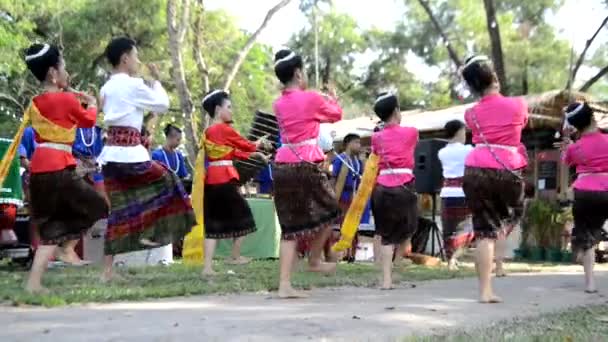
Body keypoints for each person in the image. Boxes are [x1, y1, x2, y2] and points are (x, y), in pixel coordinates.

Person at [9, 43, 108, 293]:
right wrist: (92, 102)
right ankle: (67, 248)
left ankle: (34, 283)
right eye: (64, 68)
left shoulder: (34, 103)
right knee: (99, 206)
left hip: (39, 172)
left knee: (51, 229)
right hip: (59, 169)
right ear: (53, 73)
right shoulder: (65, 99)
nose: (67, 73)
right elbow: (89, 120)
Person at [98, 37, 195, 282]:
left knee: (117, 212)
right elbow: (162, 104)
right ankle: (149, 230)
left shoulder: (106, 88)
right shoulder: (133, 85)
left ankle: (107, 273)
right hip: (131, 155)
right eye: (136, 56)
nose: (138, 61)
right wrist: (157, 83)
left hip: (110, 157)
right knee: (169, 181)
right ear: (125, 58)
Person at [272, 49, 343, 298]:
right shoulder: (310, 98)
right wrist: (331, 97)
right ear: (299, 72)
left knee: (289, 227)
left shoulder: (278, 103)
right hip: (306, 165)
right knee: (332, 210)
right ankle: (314, 259)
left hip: (282, 164)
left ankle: (284, 285)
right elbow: (336, 115)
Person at [460, 55, 528, 303]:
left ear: (472, 87)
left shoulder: (471, 113)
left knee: (484, 231)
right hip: (506, 169)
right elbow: (521, 125)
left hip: (476, 169)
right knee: (512, 213)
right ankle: (499, 252)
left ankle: (485, 291)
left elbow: (477, 130)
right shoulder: (519, 104)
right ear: (496, 78)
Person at [199, 89, 269, 275]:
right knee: (245, 216)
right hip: (224, 179)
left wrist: (254, 153)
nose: (231, 111)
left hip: (212, 180)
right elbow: (243, 144)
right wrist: (258, 144)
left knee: (212, 224)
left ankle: (207, 267)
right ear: (217, 109)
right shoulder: (223, 129)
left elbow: (230, 152)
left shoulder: (209, 131)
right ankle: (235, 256)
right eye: (228, 107)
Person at [370, 92, 418, 289]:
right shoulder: (411, 132)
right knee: (409, 228)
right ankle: (397, 267)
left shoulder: (376, 138)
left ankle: (386, 280)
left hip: (381, 187)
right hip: (404, 185)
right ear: (397, 110)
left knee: (385, 234)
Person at [561, 102, 608, 294]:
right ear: (593, 118)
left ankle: (590, 283)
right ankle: (590, 243)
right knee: (596, 229)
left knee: (585, 234)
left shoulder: (575, 147)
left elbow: (566, 161)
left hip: (583, 191)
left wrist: (569, 146)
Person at [437, 120, 474, 271]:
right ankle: (454, 258)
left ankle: (450, 258)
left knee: (448, 229)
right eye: (464, 132)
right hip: (463, 193)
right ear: (459, 132)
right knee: (468, 228)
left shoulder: (442, 152)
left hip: (446, 194)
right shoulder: (468, 150)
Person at [331, 133, 364, 262]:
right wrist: (333, 197)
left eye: (359, 143)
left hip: (353, 197)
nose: (359, 146)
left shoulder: (357, 162)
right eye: (356, 142)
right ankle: (336, 253)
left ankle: (351, 254)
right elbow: (334, 178)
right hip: (341, 197)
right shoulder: (340, 159)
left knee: (353, 226)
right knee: (340, 225)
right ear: (348, 144)